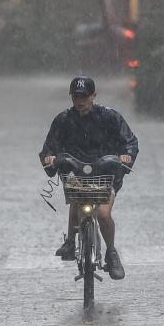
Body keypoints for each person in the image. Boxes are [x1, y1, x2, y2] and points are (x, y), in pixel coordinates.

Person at [39, 76, 139, 280]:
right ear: (71, 97)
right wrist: (50, 158)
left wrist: (125, 156)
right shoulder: (63, 120)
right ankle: (70, 241)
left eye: (84, 96)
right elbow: (49, 147)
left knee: (103, 214)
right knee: (76, 198)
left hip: (106, 173)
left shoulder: (110, 117)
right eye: (76, 96)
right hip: (76, 173)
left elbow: (130, 141)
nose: (80, 100)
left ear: (93, 96)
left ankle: (111, 253)